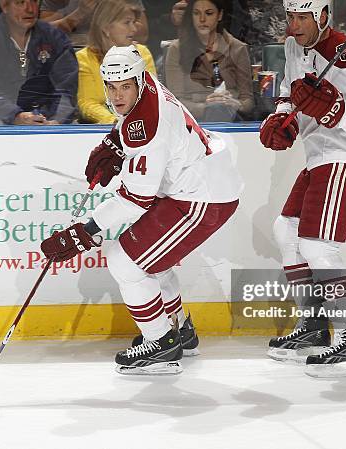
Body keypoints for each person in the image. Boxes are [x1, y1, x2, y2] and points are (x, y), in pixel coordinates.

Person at [41, 45, 242, 375]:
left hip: (201, 198)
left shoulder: (146, 124)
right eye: (111, 86)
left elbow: (136, 198)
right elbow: (132, 125)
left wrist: (85, 232)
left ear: (138, 81)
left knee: (125, 261)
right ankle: (179, 330)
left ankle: (161, 344)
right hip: (199, 187)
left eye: (125, 87)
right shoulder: (149, 86)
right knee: (149, 258)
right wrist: (114, 144)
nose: (118, 95)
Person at [259, 0, 346, 378]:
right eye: (291, 17)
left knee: (317, 245)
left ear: (324, 16)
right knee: (287, 231)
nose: (294, 25)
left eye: (303, 18)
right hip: (321, 154)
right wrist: (282, 120)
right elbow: (289, 92)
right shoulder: (292, 46)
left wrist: (335, 110)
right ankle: (314, 325)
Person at [0, 0, 78, 125]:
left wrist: (57, 119)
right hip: (3, 119)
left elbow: (68, 87)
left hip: (48, 118)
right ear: (4, 6)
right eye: (20, 2)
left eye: (34, 1)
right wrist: (15, 116)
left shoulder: (55, 38)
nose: (30, 9)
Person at [164, 0, 253, 122]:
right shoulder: (176, 49)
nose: (202, 19)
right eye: (196, 13)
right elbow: (175, 101)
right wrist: (206, 106)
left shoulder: (238, 48)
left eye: (209, 13)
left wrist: (236, 104)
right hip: (190, 120)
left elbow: (248, 101)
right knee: (216, 109)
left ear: (219, 15)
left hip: (230, 116)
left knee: (220, 110)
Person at [75, 0, 155, 124]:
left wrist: (133, 120)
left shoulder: (142, 54)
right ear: (106, 28)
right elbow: (88, 103)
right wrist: (114, 121)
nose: (134, 29)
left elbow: (150, 95)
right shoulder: (84, 58)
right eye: (127, 23)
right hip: (101, 129)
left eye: (133, 22)